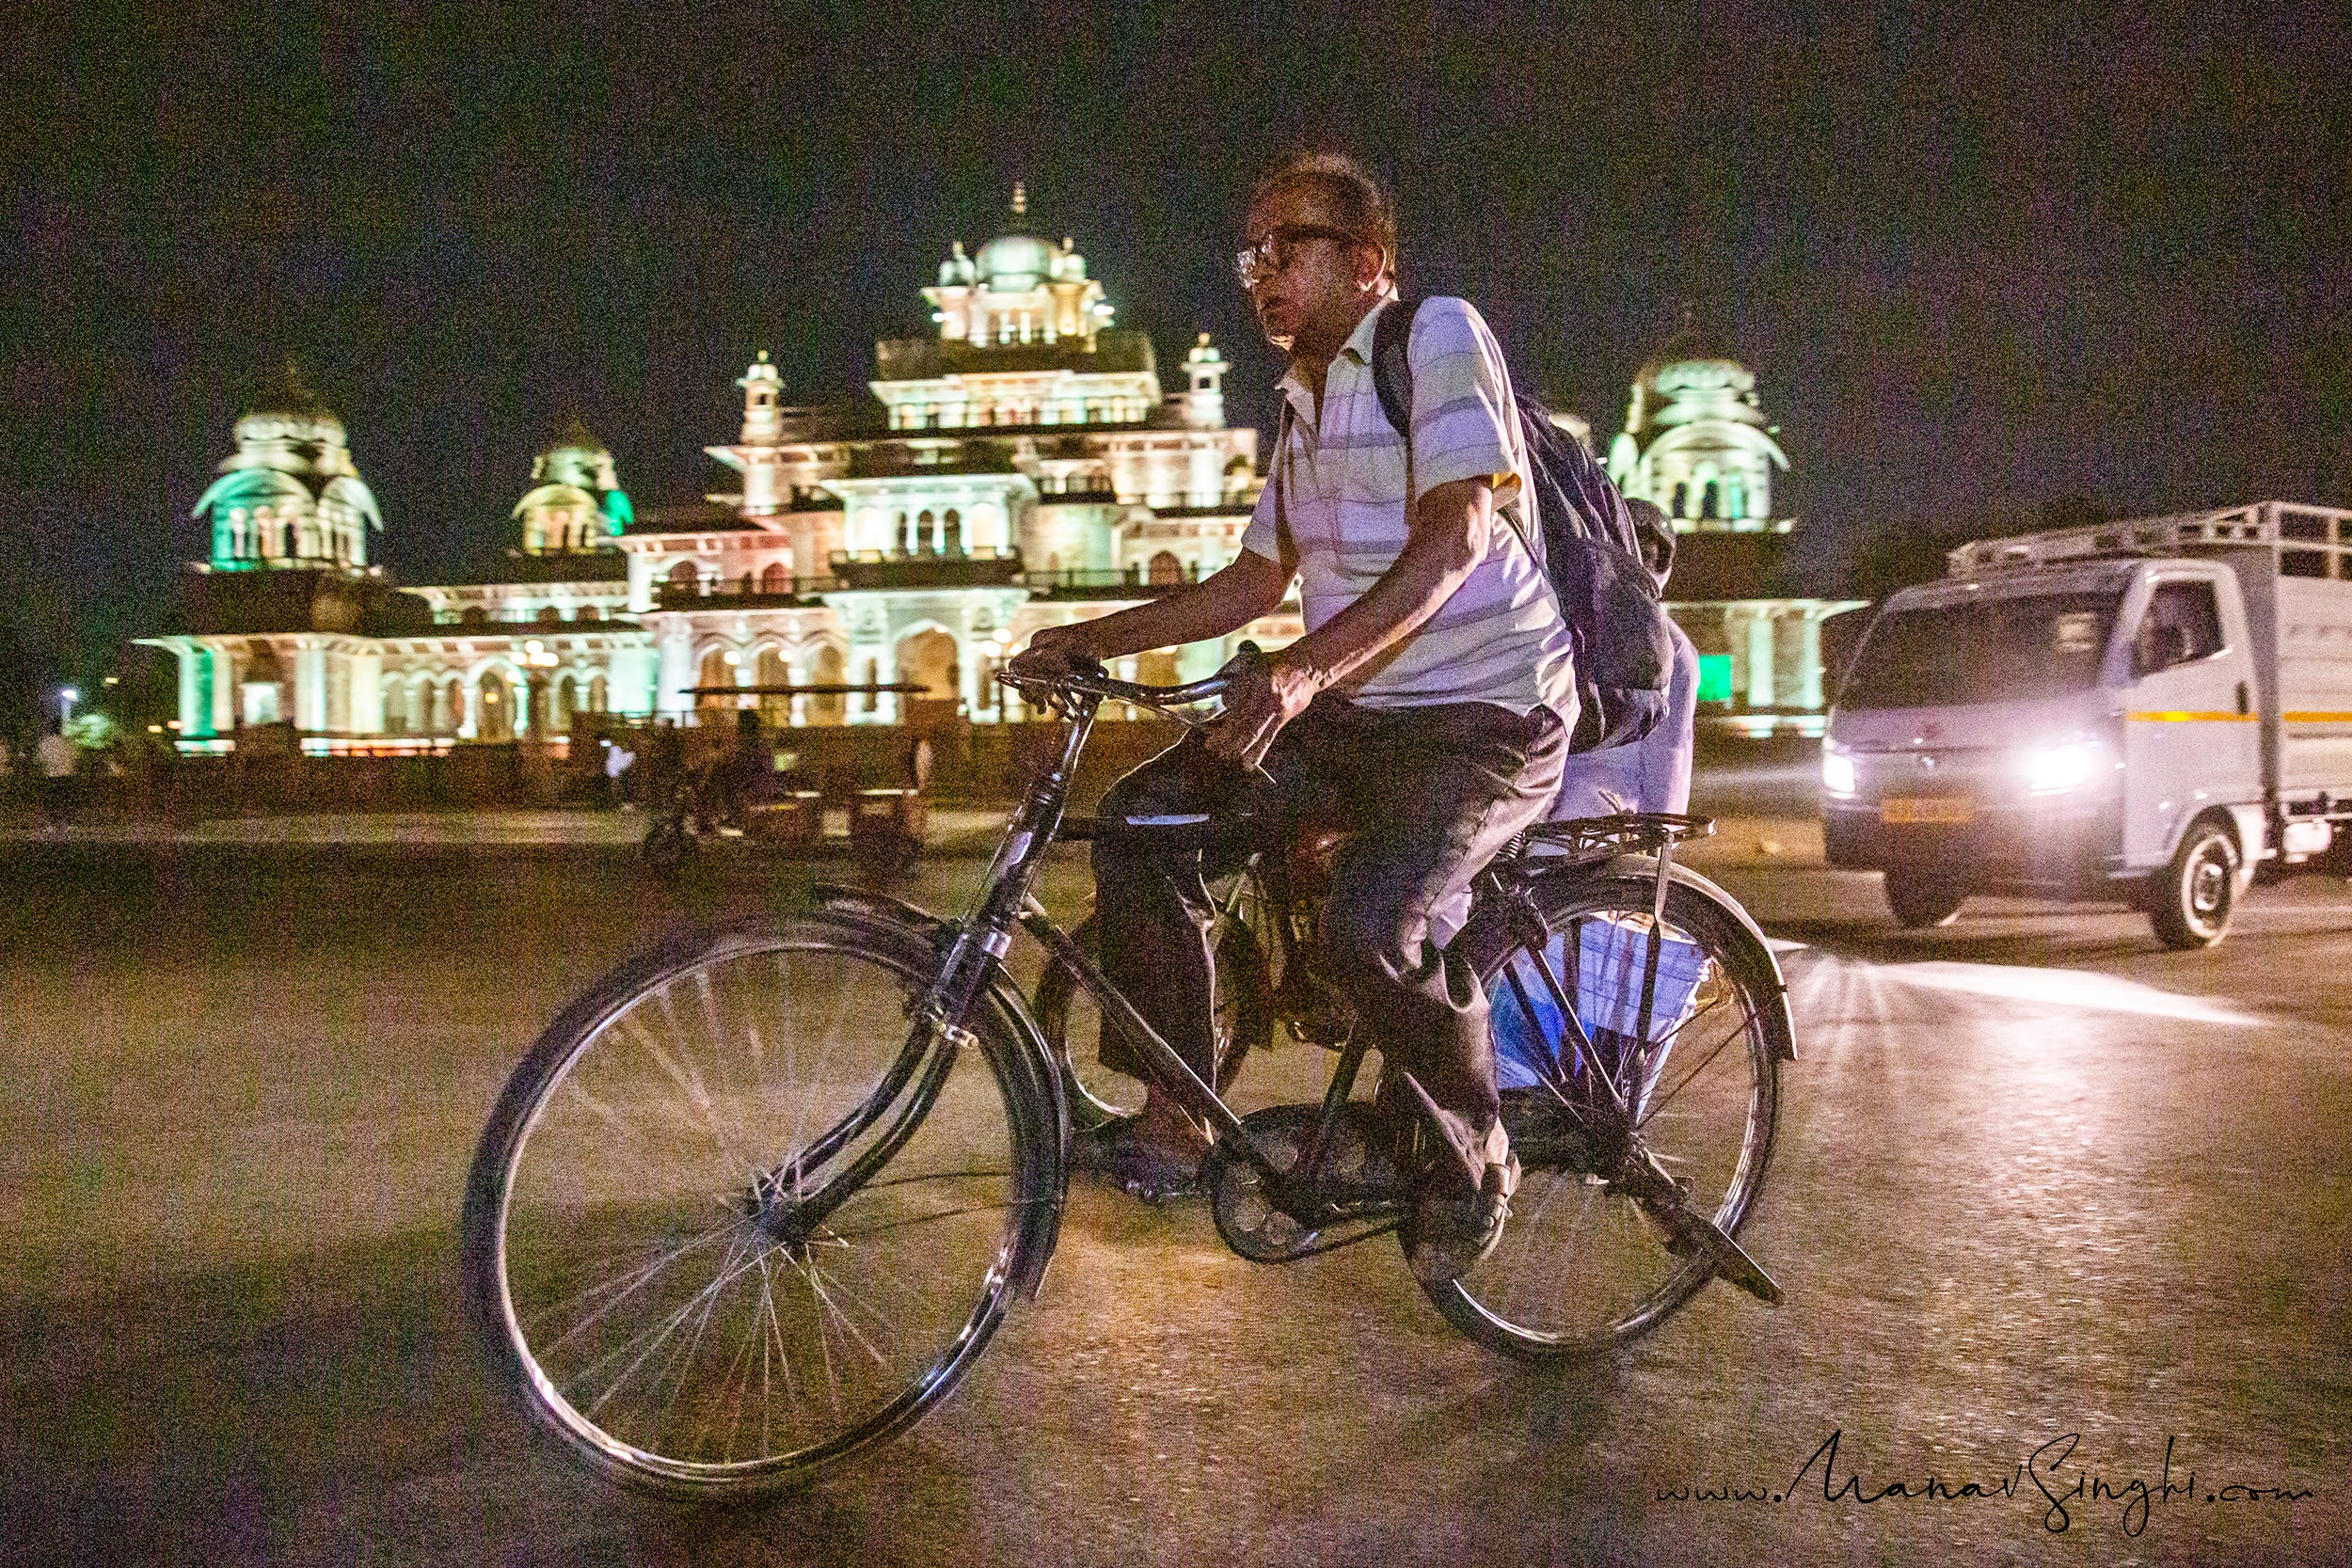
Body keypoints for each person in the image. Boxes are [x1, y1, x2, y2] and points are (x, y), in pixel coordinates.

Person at [1009, 150, 1572, 1280]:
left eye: (1287, 246)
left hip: (1488, 717)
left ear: (1368, 263)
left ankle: (1478, 1152)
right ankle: (1180, 1106)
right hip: (1361, 710)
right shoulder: (1300, 398)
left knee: (1370, 926)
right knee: (1143, 822)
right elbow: (1252, 583)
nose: (1259, 270)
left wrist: (1303, 677)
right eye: (1248, 253)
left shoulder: (1437, 336)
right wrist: (1087, 637)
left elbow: (1458, 537)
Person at [1548, 497, 1699, 817]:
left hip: (1604, 800)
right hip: (1556, 783)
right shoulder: (1575, 616)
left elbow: (1670, 752)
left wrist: (1661, 837)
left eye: (1650, 555)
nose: (1643, 562)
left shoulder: (1674, 649)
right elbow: (1672, 753)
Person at [36, 719, 76, 831]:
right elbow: (73, 758)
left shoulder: (45, 742)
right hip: (65, 774)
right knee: (65, 800)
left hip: (51, 775)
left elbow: (41, 759)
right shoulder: (67, 743)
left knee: (52, 801)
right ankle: (66, 823)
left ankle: (52, 823)